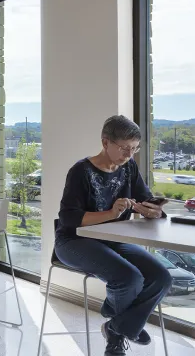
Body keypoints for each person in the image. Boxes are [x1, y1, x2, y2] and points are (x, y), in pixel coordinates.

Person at [56, 115, 171, 356]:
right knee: (128, 278)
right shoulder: (81, 171)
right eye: (124, 148)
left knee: (161, 276)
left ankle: (119, 325)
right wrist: (111, 212)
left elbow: (144, 197)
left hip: (112, 239)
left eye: (134, 149)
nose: (129, 155)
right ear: (105, 142)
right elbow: (69, 218)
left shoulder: (128, 167)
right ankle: (119, 336)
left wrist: (153, 210)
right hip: (74, 241)